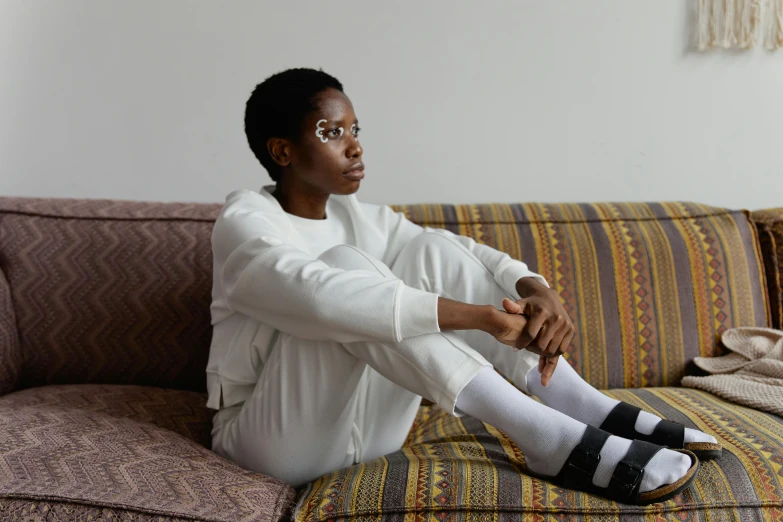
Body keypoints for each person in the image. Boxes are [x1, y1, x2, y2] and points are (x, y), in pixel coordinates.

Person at [207, 68, 719, 505]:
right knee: (346, 273)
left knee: (428, 251)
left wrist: (536, 287)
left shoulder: (358, 216)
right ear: (283, 150)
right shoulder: (245, 222)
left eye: (355, 128)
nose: (356, 145)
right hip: (272, 445)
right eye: (332, 132)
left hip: (375, 436)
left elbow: (461, 254)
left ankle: (577, 403)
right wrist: (477, 317)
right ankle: (541, 435)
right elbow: (316, 295)